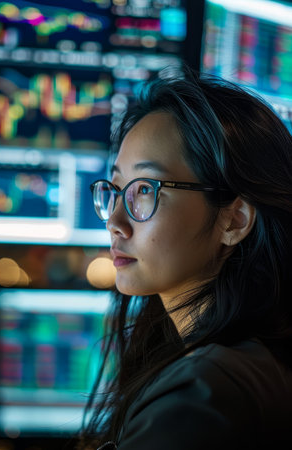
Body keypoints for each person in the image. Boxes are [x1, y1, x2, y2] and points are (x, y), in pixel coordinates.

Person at [79, 68, 292, 449]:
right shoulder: (249, 362)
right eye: (116, 188)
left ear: (235, 219)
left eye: (145, 190)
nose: (115, 222)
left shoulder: (206, 392)